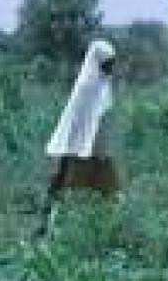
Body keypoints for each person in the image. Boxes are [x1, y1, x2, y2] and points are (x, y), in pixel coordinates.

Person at [45, 40, 119, 203]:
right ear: (97, 61)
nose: (111, 68)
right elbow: (78, 123)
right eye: (107, 63)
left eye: (112, 63)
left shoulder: (102, 84)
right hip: (81, 153)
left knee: (107, 197)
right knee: (75, 197)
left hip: (98, 151)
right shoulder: (87, 87)